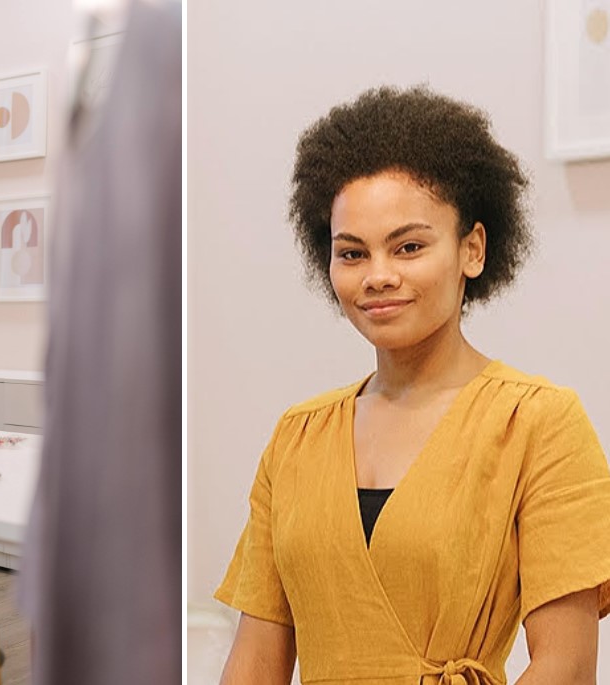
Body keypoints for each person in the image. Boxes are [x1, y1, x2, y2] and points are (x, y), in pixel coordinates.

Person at [216, 86, 610, 685]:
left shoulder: (538, 423)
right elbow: (253, 662)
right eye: (352, 253)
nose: (378, 276)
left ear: (471, 249)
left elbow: (567, 665)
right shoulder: (297, 436)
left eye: (408, 247)